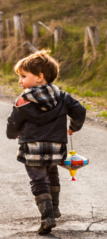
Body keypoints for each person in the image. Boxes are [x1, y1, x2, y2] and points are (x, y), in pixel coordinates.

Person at [6, 50, 86, 234]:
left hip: (32, 148)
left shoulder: (23, 100)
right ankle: (55, 208)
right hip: (56, 147)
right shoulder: (64, 97)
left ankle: (47, 216)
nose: (20, 81)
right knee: (52, 173)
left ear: (40, 77)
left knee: (38, 180)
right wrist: (74, 126)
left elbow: (13, 121)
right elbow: (79, 111)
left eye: (23, 76)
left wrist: (13, 134)